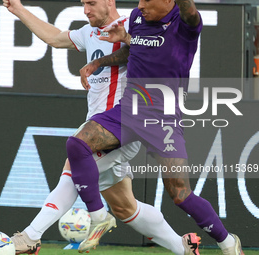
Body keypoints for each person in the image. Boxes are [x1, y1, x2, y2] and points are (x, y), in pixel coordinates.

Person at [2, 0, 201, 255]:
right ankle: (183, 247)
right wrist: (17, 8)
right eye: (84, 4)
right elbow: (54, 37)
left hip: (122, 128)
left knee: (73, 172)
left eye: (92, 3)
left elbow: (163, 50)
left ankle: (30, 237)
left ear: (110, 1)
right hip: (99, 128)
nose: (86, 10)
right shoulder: (89, 33)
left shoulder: (136, 24)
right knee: (125, 208)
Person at [69, 0, 244, 255]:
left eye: (147, 1)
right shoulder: (138, 19)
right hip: (128, 111)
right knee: (77, 144)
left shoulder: (185, 24)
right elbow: (133, 50)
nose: (140, 6)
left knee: (180, 194)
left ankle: (228, 243)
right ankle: (99, 217)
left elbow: (190, 11)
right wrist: (100, 62)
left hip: (164, 120)